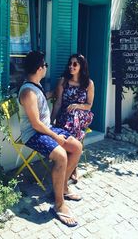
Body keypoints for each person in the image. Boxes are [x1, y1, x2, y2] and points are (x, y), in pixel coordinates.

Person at [18, 51, 83, 227]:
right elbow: (36, 124)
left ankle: (62, 188)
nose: (46, 67)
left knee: (76, 147)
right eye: (45, 65)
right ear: (40, 68)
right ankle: (59, 204)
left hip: (46, 129)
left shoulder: (34, 85)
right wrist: (57, 137)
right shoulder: (27, 92)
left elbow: (39, 102)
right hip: (34, 134)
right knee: (61, 155)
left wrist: (52, 94)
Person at [51, 53, 94, 182]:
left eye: (75, 64)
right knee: (73, 124)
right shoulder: (63, 81)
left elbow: (89, 105)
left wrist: (76, 106)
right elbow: (58, 102)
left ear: (82, 66)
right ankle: (73, 164)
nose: (71, 66)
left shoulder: (88, 83)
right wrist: (51, 121)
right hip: (65, 116)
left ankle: (70, 165)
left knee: (73, 116)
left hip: (82, 115)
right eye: (70, 63)